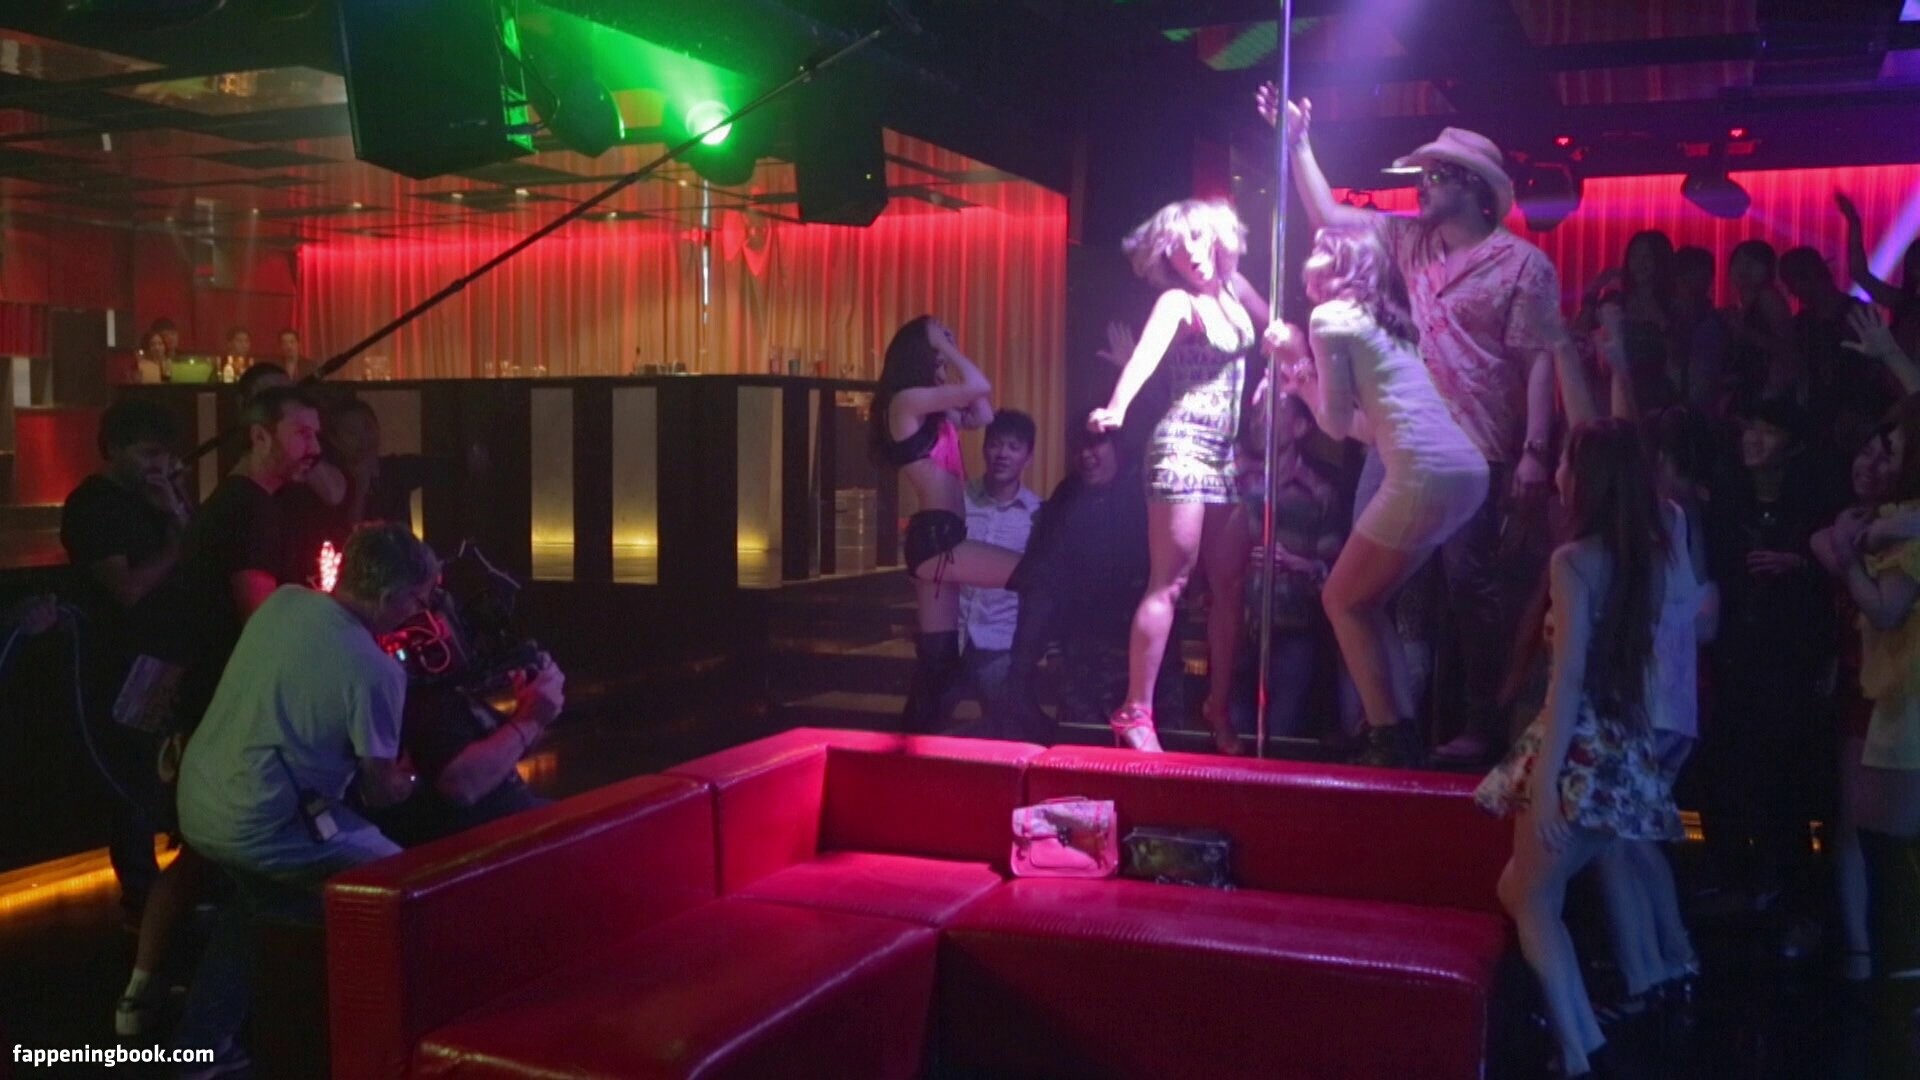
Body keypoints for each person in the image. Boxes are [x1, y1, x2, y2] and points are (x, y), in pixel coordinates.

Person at [1259, 87, 1565, 768]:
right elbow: (1330, 215)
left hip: (1481, 442)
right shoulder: (1411, 241)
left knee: (1470, 594)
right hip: (1397, 441)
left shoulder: (1524, 265)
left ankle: (1479, 729)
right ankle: (1383, 726)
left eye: (1436, 175)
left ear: (1475, 188)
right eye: (1422, 174)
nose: (1422, 185)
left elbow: (1540, 359)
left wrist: (1536, 450)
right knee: (1375, 591)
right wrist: (1299, 142)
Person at [173, 523, 436, 1071]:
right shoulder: (376, 672)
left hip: (196, 804)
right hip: (259, 822)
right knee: (403, 886)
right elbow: (380, 791)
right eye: (417, 599)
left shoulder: (284, 602)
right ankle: (387, 1044)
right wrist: (411, 779)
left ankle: (200, 1044)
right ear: (389, 596)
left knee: (259, 903)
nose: (421, 611)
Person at [1475, 418, 1684, 1080]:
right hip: (1622, 743)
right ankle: (1582, 1041)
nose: (1559, 475)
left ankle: (1578, 1050)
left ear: (1587, 479)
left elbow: (1566, 680)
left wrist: (1544, 785)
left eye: (1567, 463)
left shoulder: (1572, 561)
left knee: (1532, 898)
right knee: (1525, 891)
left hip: (1579, 745)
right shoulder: (1649, 559)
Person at [113, 385, 320, 1039]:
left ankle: (145, 994)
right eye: (303, 433)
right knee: (232, 855)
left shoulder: (241, 505)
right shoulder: (249, 510)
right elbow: (260, 620)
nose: (314, 446)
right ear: (259, 436)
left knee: (204, 855)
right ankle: (205, 1017)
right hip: (222, 709)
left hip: (208, 704)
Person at [1267, 225, 1489, 766]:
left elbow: (1334, 425)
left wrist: (1296, 362)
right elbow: (1367, 430)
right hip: (1465, 471)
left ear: (1341, 265)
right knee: (1364, 602)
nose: (1308, 259)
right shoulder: (1391, 324)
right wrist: (1305, 380)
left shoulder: (1329, 318)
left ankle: (1388, 735)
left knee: (1341, 600)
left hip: (1423, 473)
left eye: (1318, 250)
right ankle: (1397, 730)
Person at [1089, 198, 1268, 753]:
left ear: (1217, 235)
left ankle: (1218, 706)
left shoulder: (1236, 289)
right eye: (1175, 247)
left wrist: (1286, 368)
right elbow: (1145, 356)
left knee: (1229, 588)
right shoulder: (1177, 301)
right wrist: (1117, 405)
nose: (1189, 253)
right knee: (1170, 581)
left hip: (1226, 456)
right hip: (1181, 448)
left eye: (1195, 237)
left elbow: (1274, 329)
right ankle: (1135, 710)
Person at [1700, 398, 1840, 917]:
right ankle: (1735, 879)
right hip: (1734, 656)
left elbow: (1833, 587)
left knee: (1787, 773)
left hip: (1789, 662)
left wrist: (1798, 566)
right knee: (1730, 767)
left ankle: (1792, 894)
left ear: (1793, 445)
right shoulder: (1725, 505)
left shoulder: (1813, 512)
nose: (1753, 439)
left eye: (1768, 430)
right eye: (1749, 428)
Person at [59, 399, 191, 930]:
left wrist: (173, 508)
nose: (158, 464)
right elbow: (128, 590)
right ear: (114, 449)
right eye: (147, 453)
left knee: (173, 770)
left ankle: (178, 892)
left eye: (164, 454)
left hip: (172, 653)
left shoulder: (155, 498)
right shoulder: (93, 505)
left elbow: (199, 555)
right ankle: (141, 899)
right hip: (124, 662)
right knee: (135, 779)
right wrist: (175, 546)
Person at [870, 315, 1020, 734]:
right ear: (922, 355)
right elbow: (978, 385)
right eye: (936, 355)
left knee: (938, 660)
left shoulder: (933, 409)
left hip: (943, 536)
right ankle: (1020, 680)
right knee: (1033, 573)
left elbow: (983, 412)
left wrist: (946, 353)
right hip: (936, 538)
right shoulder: (906, 402)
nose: (943, 364)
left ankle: (911, 744)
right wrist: (946, 348)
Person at [1001, 428, 1176, 745]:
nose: (1085, 455)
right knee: (1084, 749)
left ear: (1117, 446)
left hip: (1144, 659)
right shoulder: (1067, 495)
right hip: (1083, 656)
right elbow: (1045, 576)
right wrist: (1047, 649)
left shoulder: (1145, 492)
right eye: (1078, 447)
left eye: (1095, 445)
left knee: (1150, 752)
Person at [1812, 420, 1903, 983]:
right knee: (1849, 821)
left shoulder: (1901, 528)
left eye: (1883, 455)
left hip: (1901, 683)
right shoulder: (1849, 524)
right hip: (1858, 683)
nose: (1867, 464)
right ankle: (1860, 947)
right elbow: (1825, 548)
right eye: (1863, 452)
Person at [1228, 390, 1352, 745]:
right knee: (1233, 737)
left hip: (1295, 632)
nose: (1259, 421)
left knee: (1282, 736)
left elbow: (1335, 571)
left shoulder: (1319, 491)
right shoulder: (1240, 481)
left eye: (1271, 412)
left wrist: (1295, 563)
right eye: (1256, 413)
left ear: (1299, 427)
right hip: (1240, 628)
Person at [373, 654, 565, 847]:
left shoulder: (452, 692)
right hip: (488, 841)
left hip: (517, 818)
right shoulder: (421, 703)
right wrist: (530, 719)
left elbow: (505, 757)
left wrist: (534, 708)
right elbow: (462, 785)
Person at [943, 410, 1039, 735]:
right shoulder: (958, 501)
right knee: (923, 727)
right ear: (984, 449)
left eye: (1014, 447)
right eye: (996, 444)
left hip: (1001, 643)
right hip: (951, 637)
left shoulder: (1036, 515)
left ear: (1028, 457)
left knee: (1008, 732)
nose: (1002, 454)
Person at [1779, 245, 1892, 452]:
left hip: (1856, 418)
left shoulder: (1857, 314)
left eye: (1793, 282)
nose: (1792, 292)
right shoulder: (1802, 324)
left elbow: (1878, 369)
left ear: (1811, 276)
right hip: (1816, 420)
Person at [1836, 191, 1920, 361]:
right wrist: (1854, 222)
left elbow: (1859, 274)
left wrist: (1854, 222)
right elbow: (1860, 274)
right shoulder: (1908, 304)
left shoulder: (1906, 304)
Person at [1721, 239, 1798, 409]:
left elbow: (1787, 347)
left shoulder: (1768, 298)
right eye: (1738, 261)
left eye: (1752, 262)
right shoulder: (1745, 304)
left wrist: (1746, 333)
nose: (1743, 268)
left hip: (1769, 391)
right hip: (1755, 388)